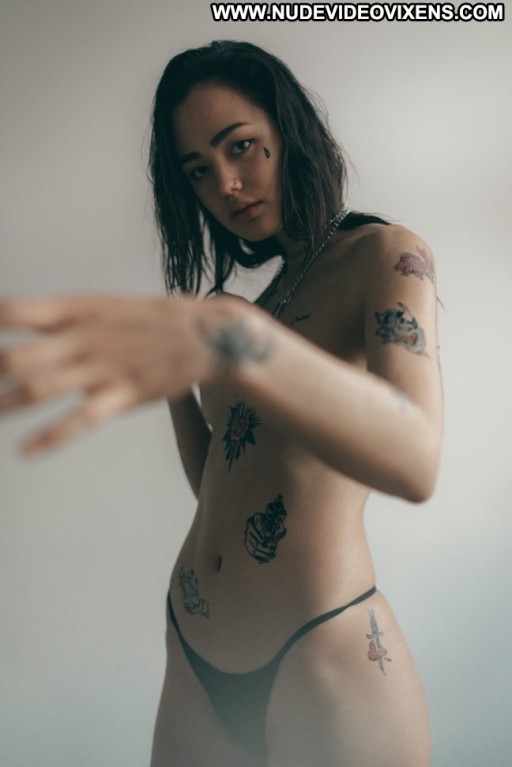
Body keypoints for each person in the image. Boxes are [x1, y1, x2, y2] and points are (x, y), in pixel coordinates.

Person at [0, 40, 443, 767]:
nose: (227, 185)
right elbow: (221, 489)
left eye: (240, 147)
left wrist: (235, 340)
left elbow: (418, 457)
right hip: (192, 654)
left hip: (321, 657)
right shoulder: (253, 308)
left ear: (290, 131)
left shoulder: (384, 255)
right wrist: (179, 390)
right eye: (199, 171)